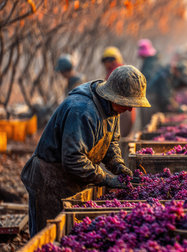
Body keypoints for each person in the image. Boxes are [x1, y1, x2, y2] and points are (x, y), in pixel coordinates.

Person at [21, 65, 151, 237]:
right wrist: (106, 178)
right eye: (128, 103)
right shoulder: (82, 111)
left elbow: (111, 142)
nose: (130, 110)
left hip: (73, 176)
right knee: (48, 236)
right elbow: (73, 159)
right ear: (114, 96)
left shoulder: (111, 109)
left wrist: (118, 165)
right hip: (51, 177)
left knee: (70, 234)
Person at [101, 46, 135, 137]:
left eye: (106, 61)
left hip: (121, 113)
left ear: (112, 60)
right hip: (126, 113)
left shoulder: (115, 74)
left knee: (118, 138)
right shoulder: (123, 71)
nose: (105, 64)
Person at [137, 39, 162, 129]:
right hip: (150, 96)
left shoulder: (151, 64)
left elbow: (148, 81)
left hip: (150, 97)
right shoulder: (151, 61)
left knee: (148, 124)